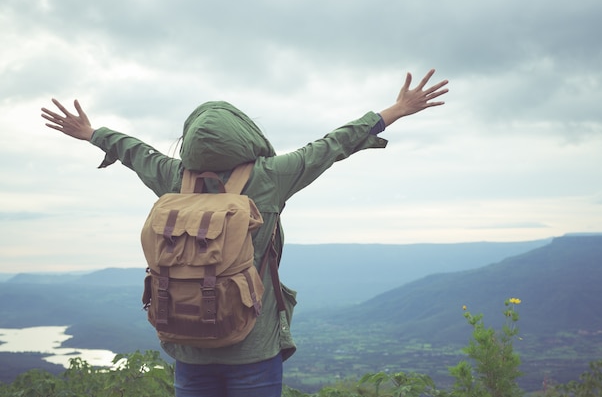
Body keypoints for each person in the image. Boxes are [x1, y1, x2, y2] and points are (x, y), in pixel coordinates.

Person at [41, 69, 449, 397]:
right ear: (245, 135)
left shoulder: (173, 177)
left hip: (188, 341)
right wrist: (393, 111)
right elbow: (331, 145)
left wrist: (92, 133)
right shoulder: (270, 177)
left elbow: (134, 150)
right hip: (253, 346)